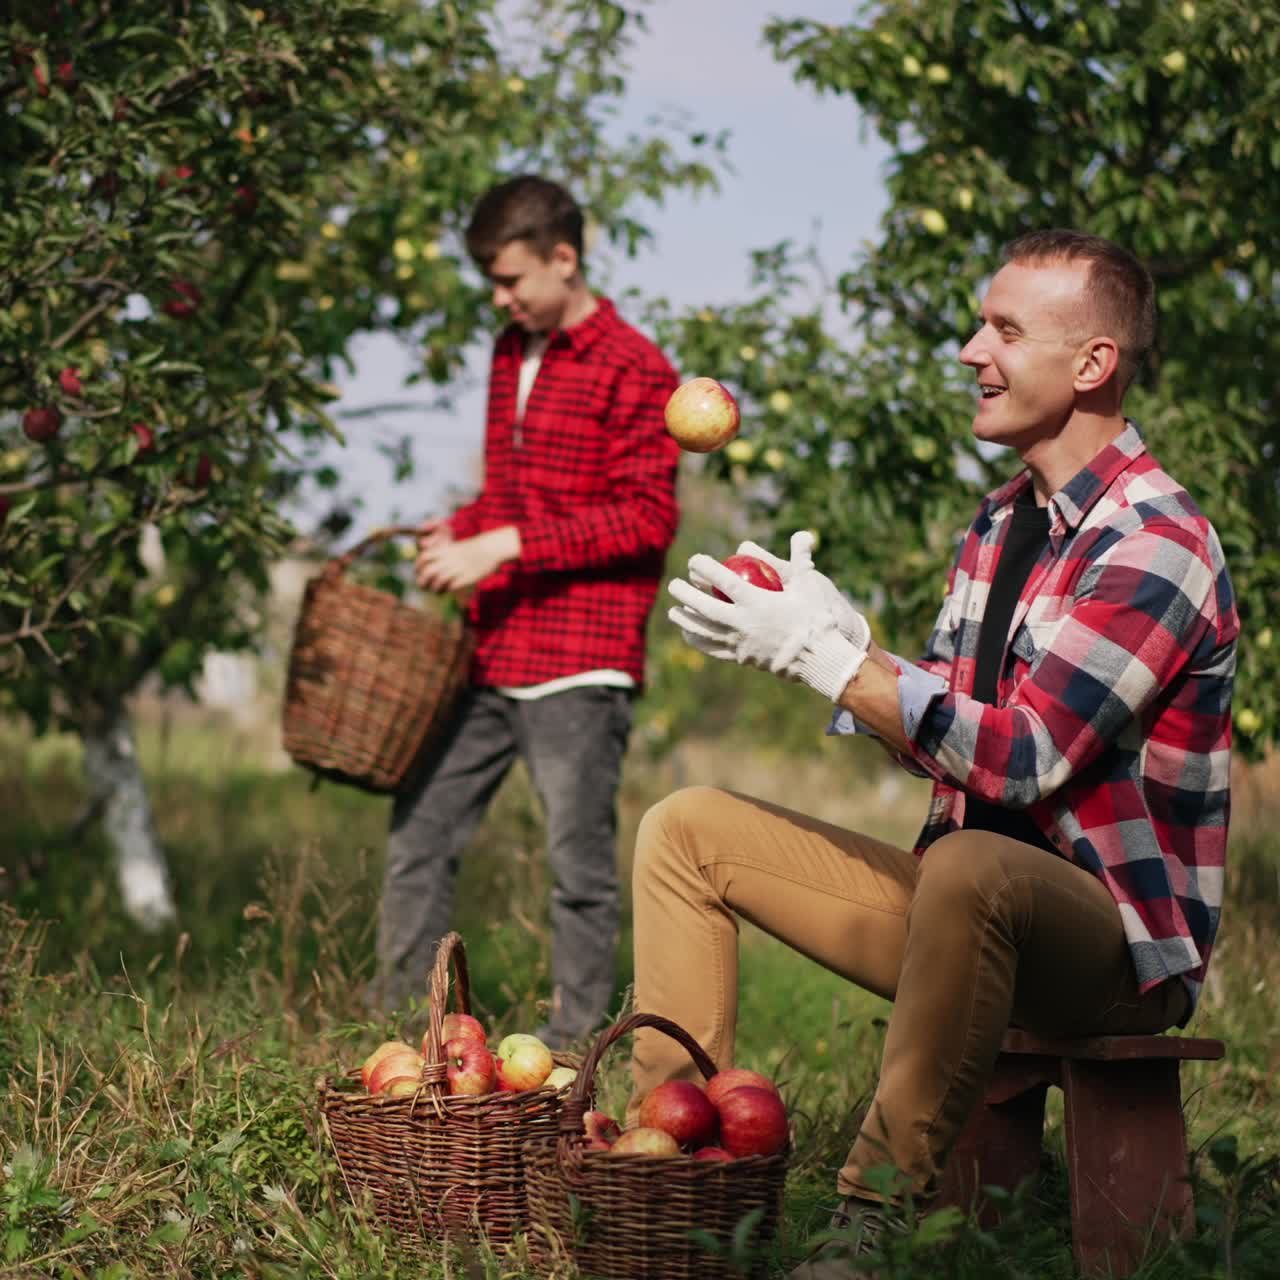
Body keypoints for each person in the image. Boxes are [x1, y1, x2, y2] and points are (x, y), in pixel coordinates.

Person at [627, 230, 1237, 1276]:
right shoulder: (998, 524)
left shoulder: (1156, 540)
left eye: (1002, 329)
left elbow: (1028, 756)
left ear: (1091, 363)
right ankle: (668, 1163)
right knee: (685, 828)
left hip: (1116, 948)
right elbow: (944, 741)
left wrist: (839, 666)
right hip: (963, 905)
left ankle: (864, 1223)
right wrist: (838, 642)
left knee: (971, 866)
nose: (968, 350)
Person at [373, 175, 681, 1048]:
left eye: (512, 281)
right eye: (493, 286)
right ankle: (408, 1031)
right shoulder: (513, 349)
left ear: (564, 258)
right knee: (420, 828)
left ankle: (579, 1054)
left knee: (576, 870)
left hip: (581, 660)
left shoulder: (638, 368)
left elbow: (645, 517)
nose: (501, 299)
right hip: (495, 645)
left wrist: (500, 547)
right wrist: (462, 528)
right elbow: (514, 496)